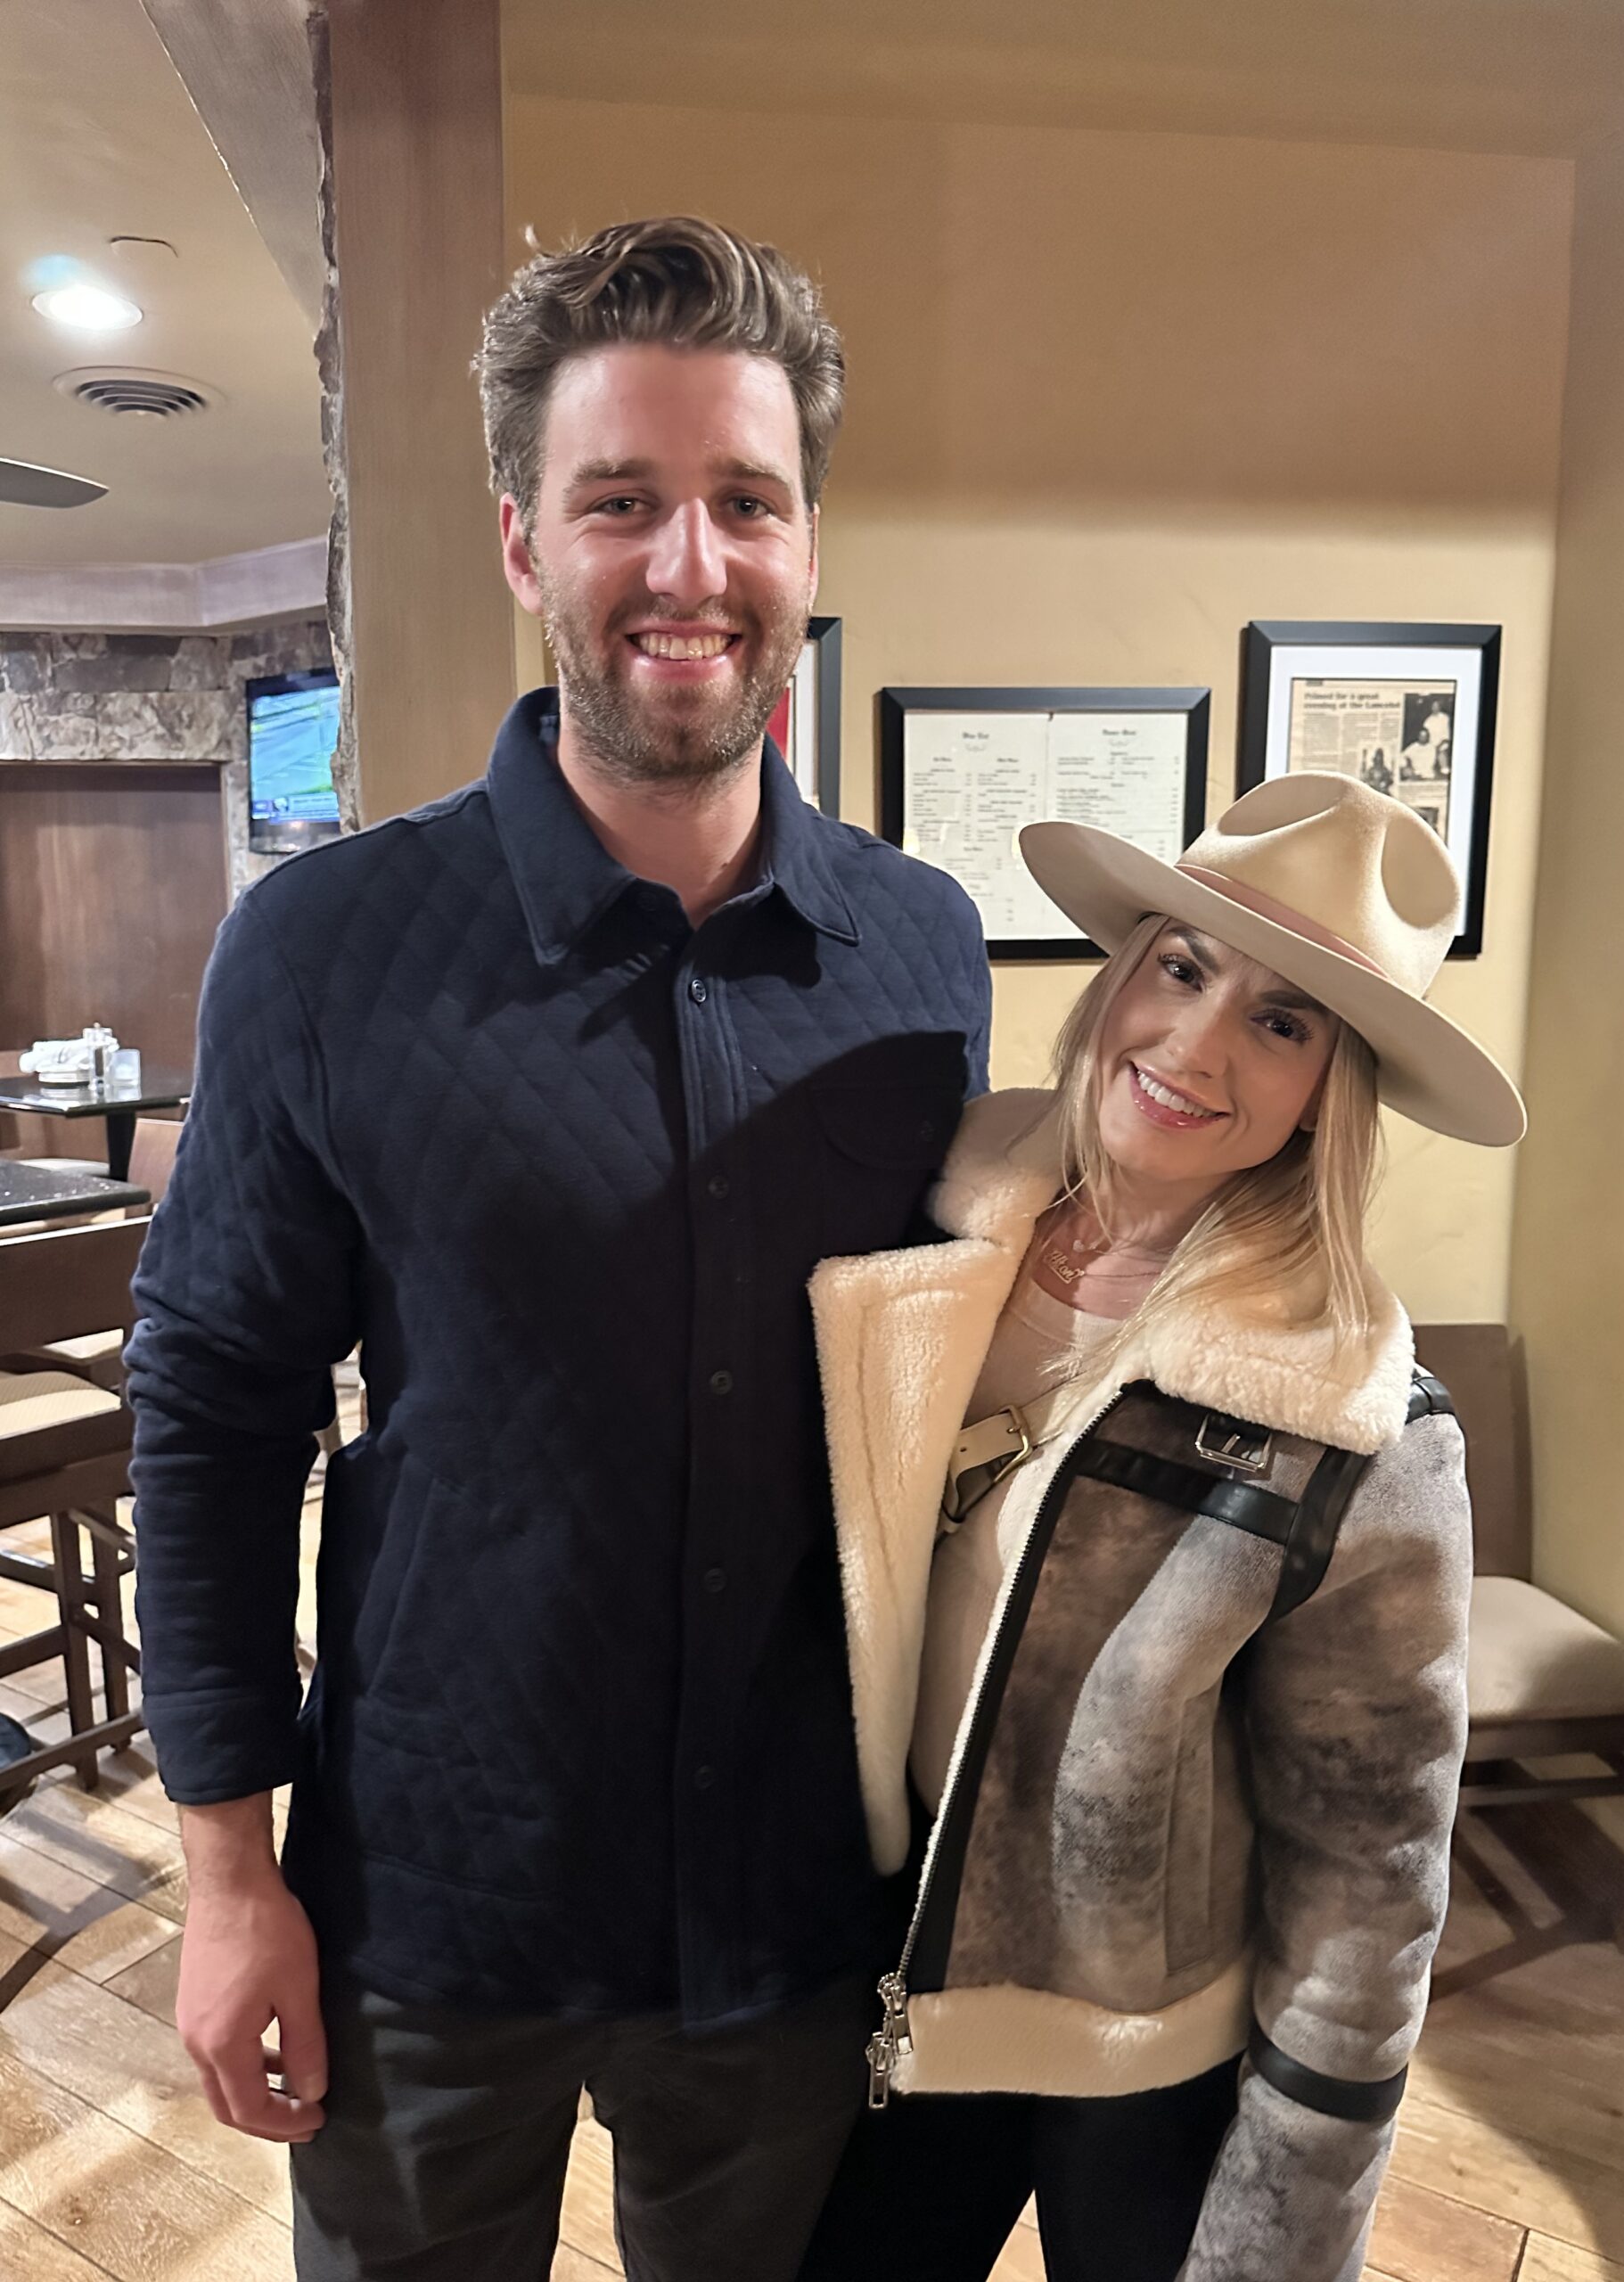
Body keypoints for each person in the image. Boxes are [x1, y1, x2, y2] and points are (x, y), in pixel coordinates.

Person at [124, 217, 990, 2282]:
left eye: (746, 501)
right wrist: (229, 1870)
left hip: (789, 1902)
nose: (691, 562)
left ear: (807, 543)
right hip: (435, 1891)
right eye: (622, 501)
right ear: (525, 543)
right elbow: (215, 1411)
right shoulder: (321, 950)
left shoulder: (922, 954)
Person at [799, 770, 1525, 2282]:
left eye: (1284, 1023)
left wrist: (1287, 2218)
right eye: (1183, 969)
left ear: (1331, 1090)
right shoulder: (924, 1221)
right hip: (875, 1968)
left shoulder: (1350, 1417)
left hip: (1143, 2058)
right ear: (1121, 972)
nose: (1196, 1046)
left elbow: (1369, 1879)